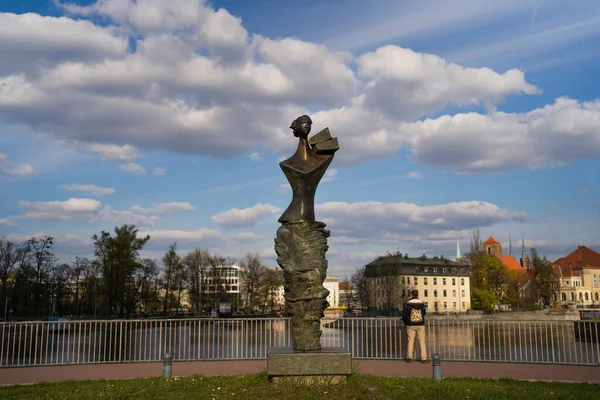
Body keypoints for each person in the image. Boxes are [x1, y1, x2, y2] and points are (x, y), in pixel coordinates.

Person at [402, 289, 430, 363]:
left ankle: (409, 358)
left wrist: (407, 322)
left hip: (410, 325)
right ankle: (424, 358)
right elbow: (424, 312)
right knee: (422, 341)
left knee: (410, 341)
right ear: (417, 294)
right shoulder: (421, 304)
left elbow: (404, 315)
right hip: (420, 324)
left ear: (411, 294)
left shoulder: (408, 304)